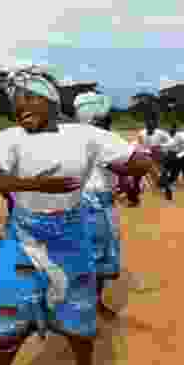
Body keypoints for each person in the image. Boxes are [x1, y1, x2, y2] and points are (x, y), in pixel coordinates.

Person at [0, 67, 158, 365]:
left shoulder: (86, 136)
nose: (21, 105)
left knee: (78, 309)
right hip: (22, 237)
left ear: (52, 101)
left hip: (70, 236)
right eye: (16, 100)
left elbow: (135, 161)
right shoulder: (10, 138)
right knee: (12, 307)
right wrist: (35, 185)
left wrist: (141, 163)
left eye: (30, 97)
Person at [74, 91, 125, 319]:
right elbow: (122, 166)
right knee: (95, 259)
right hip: (92, 204)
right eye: (107, 115)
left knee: (90, 259)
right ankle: (87, 305)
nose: (110, 118)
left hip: (86, 202)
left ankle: (89, 303)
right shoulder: (102, 139)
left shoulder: (72, 136)